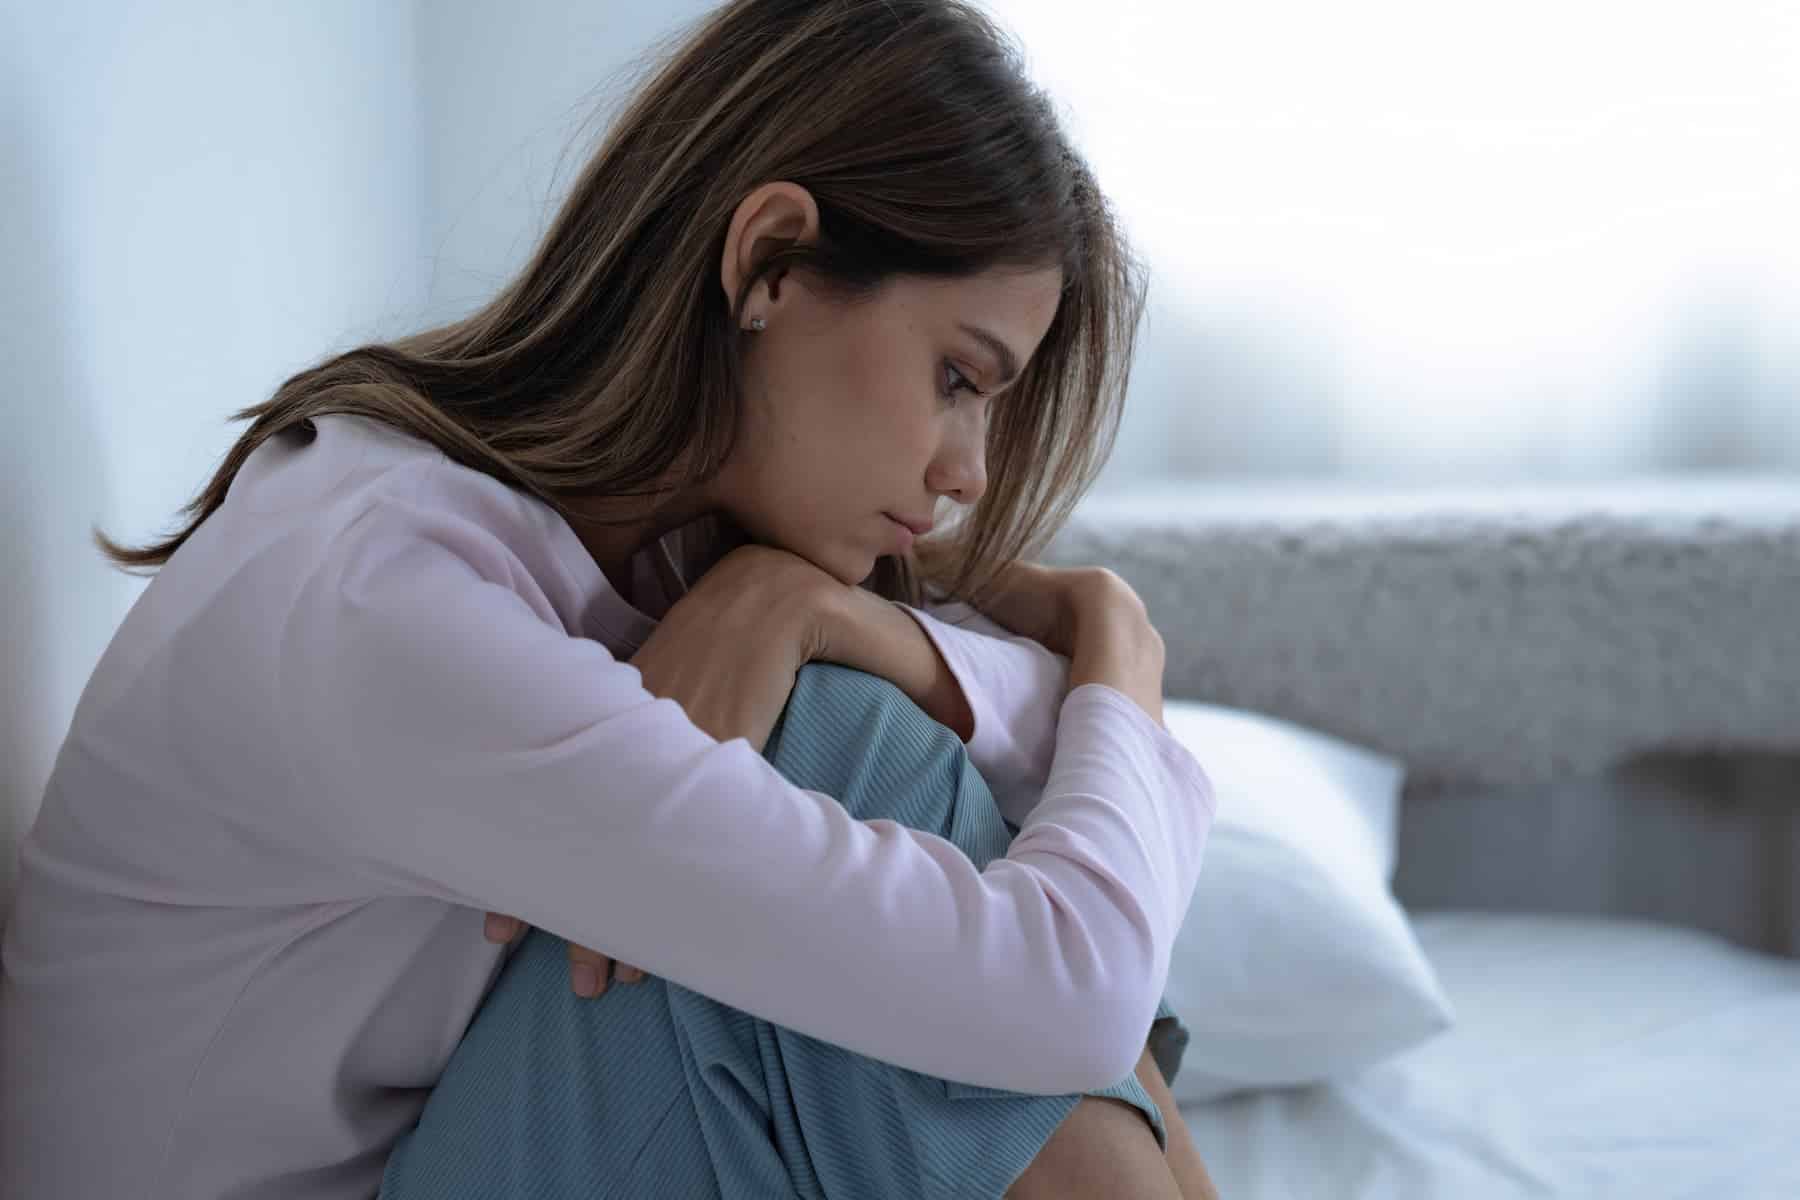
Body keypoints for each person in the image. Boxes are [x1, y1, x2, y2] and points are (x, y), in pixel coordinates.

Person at [0, 1, 1219, 1197]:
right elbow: (1074, 993)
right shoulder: (389, 599)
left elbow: (1032, 748)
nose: (971, 473)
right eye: (958, 376)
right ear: (769, 263)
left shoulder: (642, 540)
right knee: (849, 760)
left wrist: (816, 608)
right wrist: (1113, 639)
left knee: (906, 800)